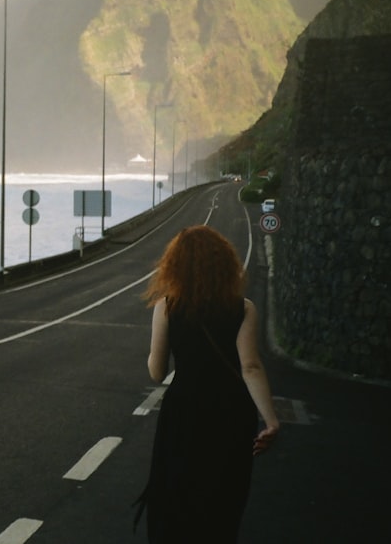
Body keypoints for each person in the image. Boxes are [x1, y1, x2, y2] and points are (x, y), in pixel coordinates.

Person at [134, 225, 280, 543]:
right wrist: (270, 421)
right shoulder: (243, 308)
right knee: (222, 501)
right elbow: (251, 367)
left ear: (176, 265)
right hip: (231, 415)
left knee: (176, 497)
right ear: (225, 264)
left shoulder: (167, 307)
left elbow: (157, 372)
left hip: (183, 414)